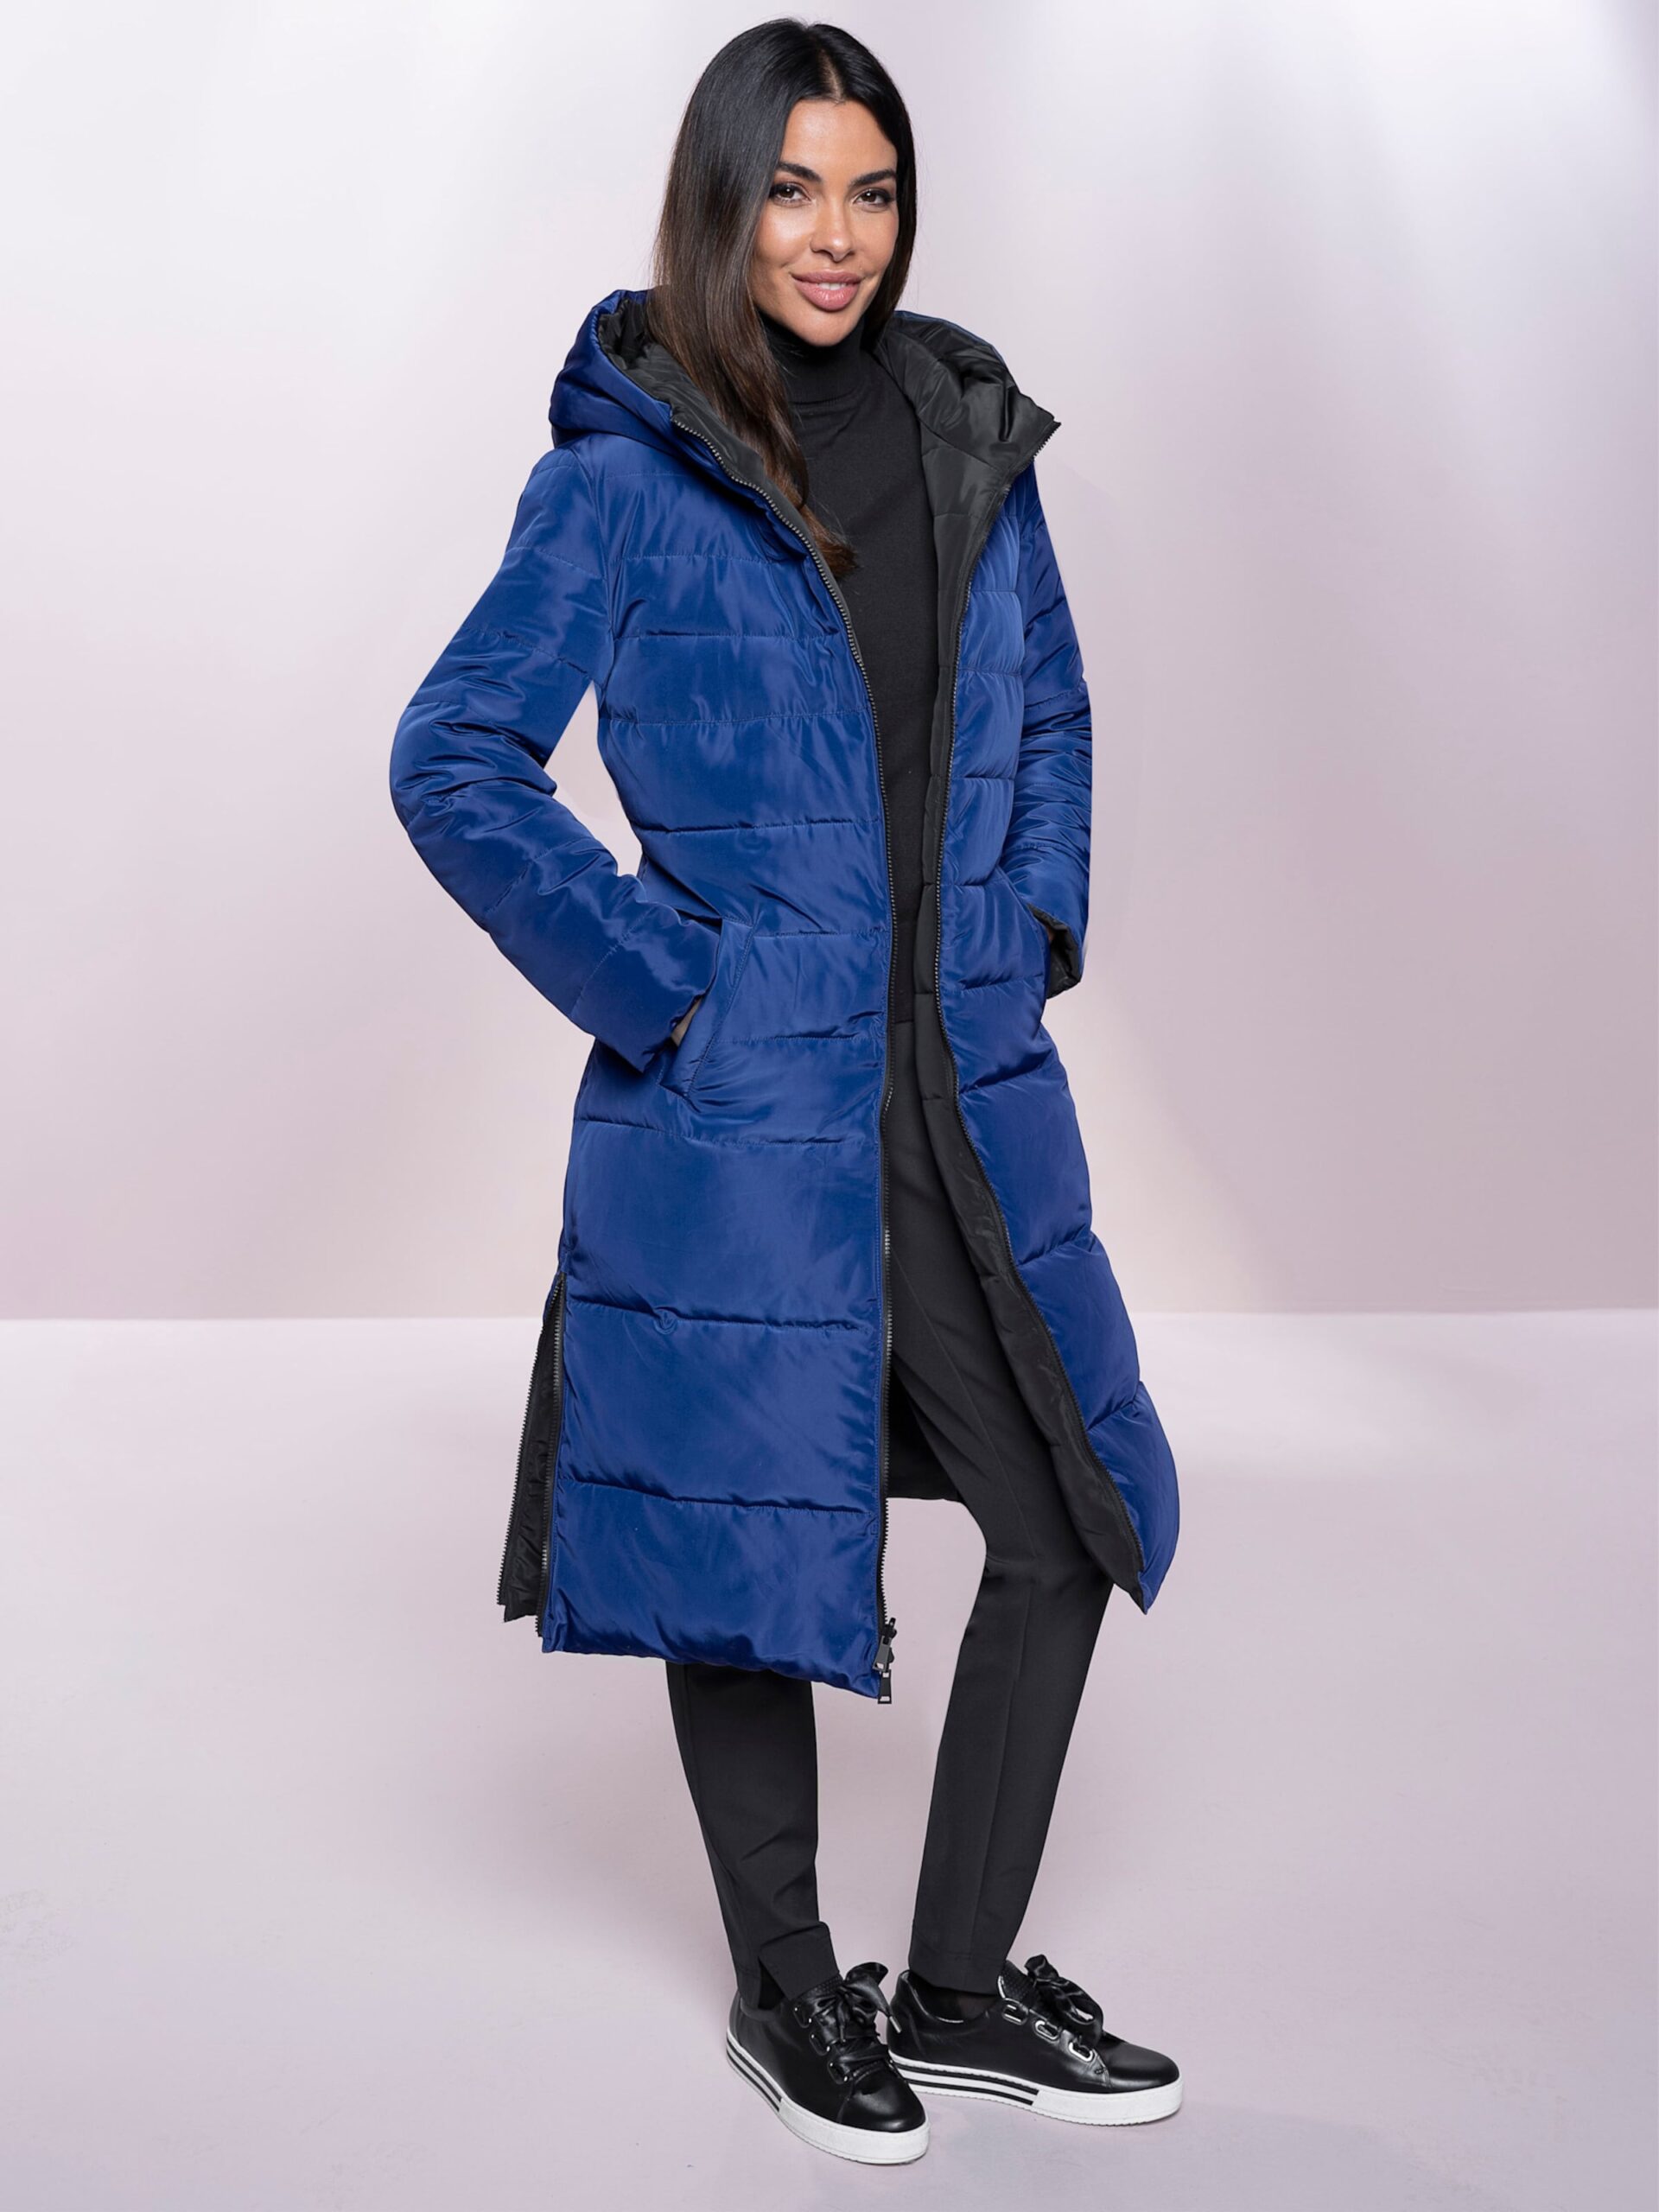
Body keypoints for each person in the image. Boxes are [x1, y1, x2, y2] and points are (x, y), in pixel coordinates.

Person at [391, 19, 1181, 2168]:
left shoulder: (966, 438)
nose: (839, 237)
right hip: (741, 1105)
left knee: (1070, 1517)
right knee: (738, 1535)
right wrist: (670, 983)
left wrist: (1024, 921)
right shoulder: (624, 475)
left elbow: (1056, 709)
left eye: (875, 192)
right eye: (796, 192)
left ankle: (960, 1986)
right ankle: (786, 1981)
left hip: (958, 1085)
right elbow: (452, 759)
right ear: (722, 205)